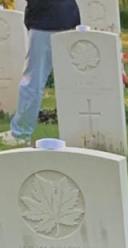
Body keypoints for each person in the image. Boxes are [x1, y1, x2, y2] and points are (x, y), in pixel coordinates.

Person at [0, 0, 81, 147]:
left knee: (32, 80)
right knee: (70, 80)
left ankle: (20, 133)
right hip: (69, 16)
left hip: (45, 20)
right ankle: (80, 133)